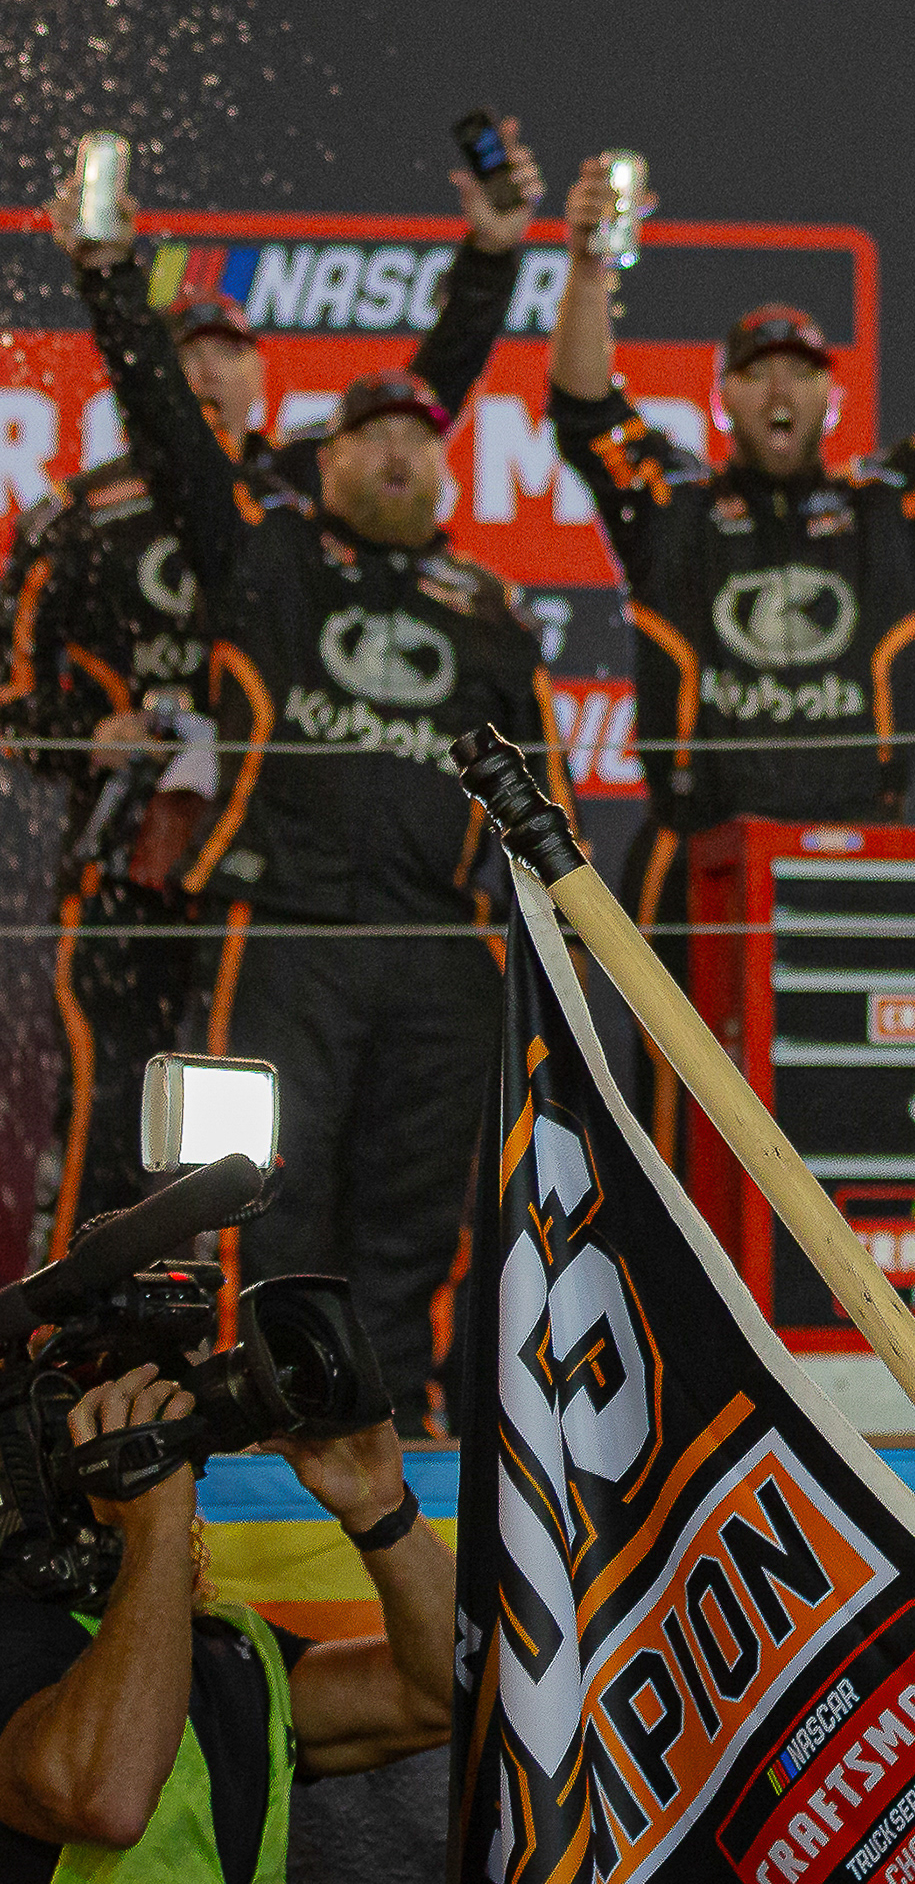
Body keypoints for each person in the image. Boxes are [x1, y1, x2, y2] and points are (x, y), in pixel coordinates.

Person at [2, 128, 544, 1256]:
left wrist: (491, 262)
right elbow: (17, 703)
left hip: (268, 863)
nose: (206, 371)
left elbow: (421, 400)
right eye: (184, 349)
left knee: (273, 1142)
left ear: (267, 379)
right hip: (140, 870)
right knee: (121, 1118)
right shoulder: (83, 514)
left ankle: (243, 1355)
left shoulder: (290, 501)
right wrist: (84, 735)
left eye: (231, 350)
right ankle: (79, 1352)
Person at [60, 275, 561, 1435]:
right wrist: (109, 270)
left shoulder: (488, 604)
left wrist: (565, 931)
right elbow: (171, 432)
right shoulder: (260, 550)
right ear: (318, 461)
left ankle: (401, 1421)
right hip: (276, 933)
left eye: (419, 437)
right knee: (255, 1194)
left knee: (420, 1208)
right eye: (369, 433)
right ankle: (259, 1409)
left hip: (441, 949)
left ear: (447, 468)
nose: (398, 453)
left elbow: (548, 794)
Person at [544, 136, 915, 1148]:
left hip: (853, 850)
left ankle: (829, 1312)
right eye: (756, 373)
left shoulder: (889, 505)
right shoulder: (673, 505)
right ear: (725, 395)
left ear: (830, 393)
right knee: (681, 1118)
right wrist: (586, 263)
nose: (779, 390)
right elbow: (583, 410)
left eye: (801, 371)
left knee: (851, 1107)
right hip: (695, 849)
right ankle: (683, 1303)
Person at [0, 1363, 453, 1879]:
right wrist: (158, 1528)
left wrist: (382, 1509)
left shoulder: (231, 1645)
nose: (190, 1498)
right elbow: (105, 1801)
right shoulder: (20, 1639)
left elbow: (440, 1696)